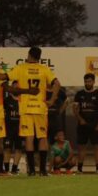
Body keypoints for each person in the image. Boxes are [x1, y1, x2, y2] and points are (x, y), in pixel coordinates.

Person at [7, 46, 60, 177]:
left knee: (29, 138)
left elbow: (6, 77)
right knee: (42, 138)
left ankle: (31, 170)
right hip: (40, 108)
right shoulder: (44, 69)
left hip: (26, 108)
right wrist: (52, 100)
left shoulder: (21, 68)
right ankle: (43, 170)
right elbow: (57, 84)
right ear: (39, 57)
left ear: (29, 55)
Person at [73, 73, 98, 173]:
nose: (88, 83)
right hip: (82, 125)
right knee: (81, 147)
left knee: (97, 147)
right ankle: (79, 169)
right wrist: (80, 119)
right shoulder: (79, 94)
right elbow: (74, 109)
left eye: (90, 81)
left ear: (94, 82)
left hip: (95, 125)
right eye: (86, 81)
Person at [4, 89, 23, 174]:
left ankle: (14, 169)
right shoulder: (7, 100)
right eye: (14, 86)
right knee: (7, 148)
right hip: (9, 128)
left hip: (20, 129)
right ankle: (6, 169)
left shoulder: (23, 99)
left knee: (18, 149)